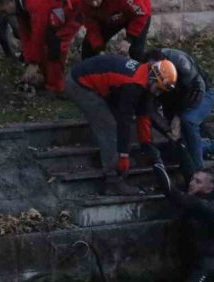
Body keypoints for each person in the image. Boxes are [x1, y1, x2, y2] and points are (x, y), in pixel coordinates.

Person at [63, 54, 177, 195]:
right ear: (154, 78)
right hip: (80, 84)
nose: (158, 93)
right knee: (110, 127)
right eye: (158, 88)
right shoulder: (133, 85)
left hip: (95, 81)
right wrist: (123, 155)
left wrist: (146, 143)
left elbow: (143, 114)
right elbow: (124, 121)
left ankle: (105, 158)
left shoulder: (144, 76)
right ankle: (113, 180)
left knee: (112, 122)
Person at [0, 0, 82, 93]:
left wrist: (34, 63)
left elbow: (39, 31)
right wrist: (30, 61)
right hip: (57, 12)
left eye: (4, 10)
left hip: (73, 9)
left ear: (10, 1)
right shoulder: (20, 2)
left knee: (56, 45)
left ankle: (56, 88)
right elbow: (26, 35)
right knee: (44, 45)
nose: (5, 14)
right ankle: (46, 79)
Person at [152, 163, 214, 282]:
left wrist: (157, 165)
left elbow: (171, 192)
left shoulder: (200, 204)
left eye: (198, 182)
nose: (191, 183)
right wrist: (178, 144)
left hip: (205, 266)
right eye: (192, 179)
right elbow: (187, 165)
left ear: (208, 188)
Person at [146, 48, 214, 170]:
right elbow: (149, 109)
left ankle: (198, 170)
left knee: (188, 120)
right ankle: (209, 145)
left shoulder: (181, 62)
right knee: (177, 142)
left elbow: (197, 90)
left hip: (201, 94)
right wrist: (167, 129)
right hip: (173, 102)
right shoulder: (145, 72)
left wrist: (179, 116)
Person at [78, 0, 152, 62]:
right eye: (89, 1)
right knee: (89, 46)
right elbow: (92, 27)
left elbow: (141, 14)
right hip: (112, 16)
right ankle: (90, 73)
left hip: (137, 14)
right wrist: (99, 49)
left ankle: (153, 67)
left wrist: (129, 39)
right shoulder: (83, 4)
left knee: (136, 52)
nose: (94, 4)